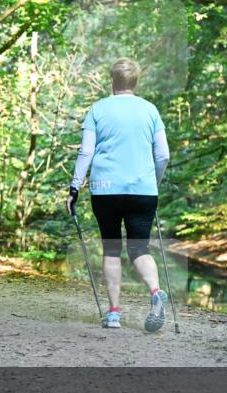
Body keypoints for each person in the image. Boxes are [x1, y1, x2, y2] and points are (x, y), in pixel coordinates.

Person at [66, 58, 170, 332]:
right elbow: (163, 155)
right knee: (139, 248)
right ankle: (155, 290)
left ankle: (114, 314)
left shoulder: (98, 109)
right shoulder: (150, 110)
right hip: (143, 190)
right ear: (136, 82)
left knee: (112, 248)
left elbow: (86, 152)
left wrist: (75, 187)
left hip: (106, 190)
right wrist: (153, 183)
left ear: (112, 80)